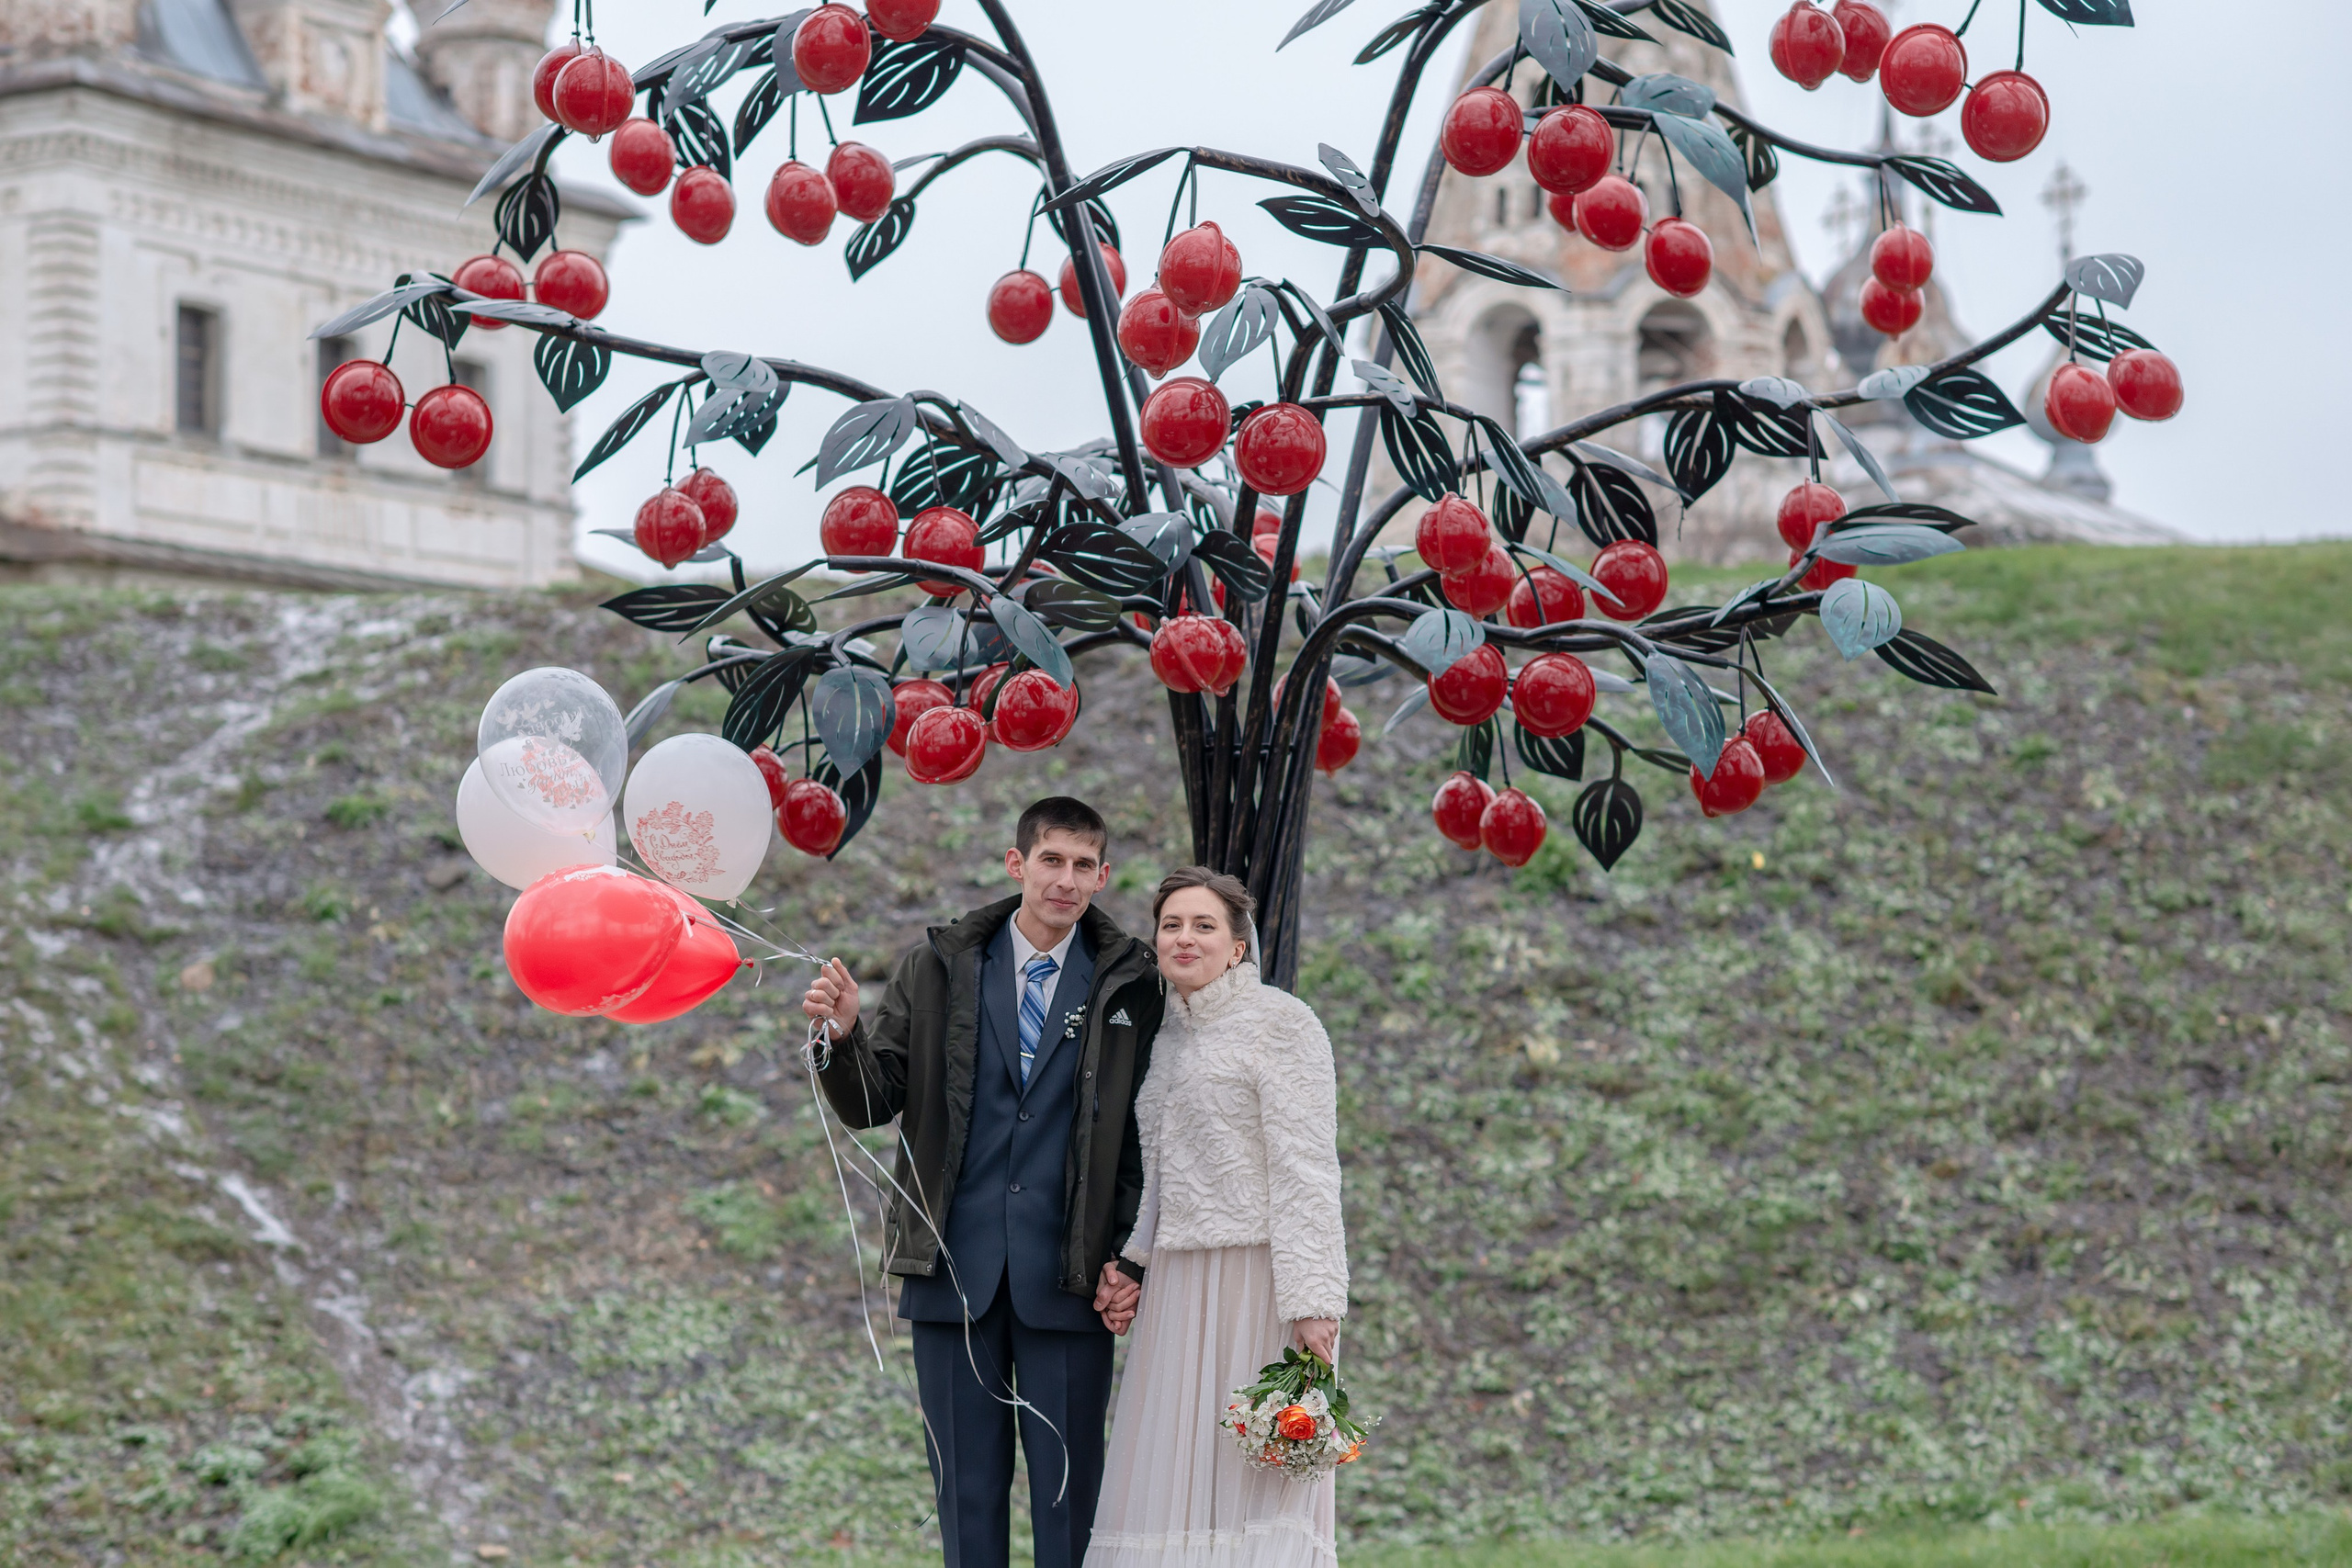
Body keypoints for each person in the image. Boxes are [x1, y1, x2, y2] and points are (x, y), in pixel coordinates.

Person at [801, 796, 1164, 1568]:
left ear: (1103, 876)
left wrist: (1128, 1254)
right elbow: (874, 1100)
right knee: (965, 1500)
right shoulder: (939, 965)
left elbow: (1144, 1135)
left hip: (1068, 1281)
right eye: (1050, 860)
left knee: (1072, 1503)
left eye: (1082, 865)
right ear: (1016, 863)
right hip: (951, 1272)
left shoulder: (1131, 984)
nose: (1065, 879)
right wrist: (841, 1038)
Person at [1084, 868, 1349, 1568]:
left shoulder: (1282, 1023)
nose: (1184, 937)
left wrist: (1314, 1301)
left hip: (1259, 1282)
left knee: (1255, 1480)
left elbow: (1308, 1166)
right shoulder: (1165, 1042)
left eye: (1204, 925)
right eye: (1172, 924)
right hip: (1178, 1288)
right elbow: (1163, 1176)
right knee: (1172, 1472)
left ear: (1237, 947)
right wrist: (1133, 1264)